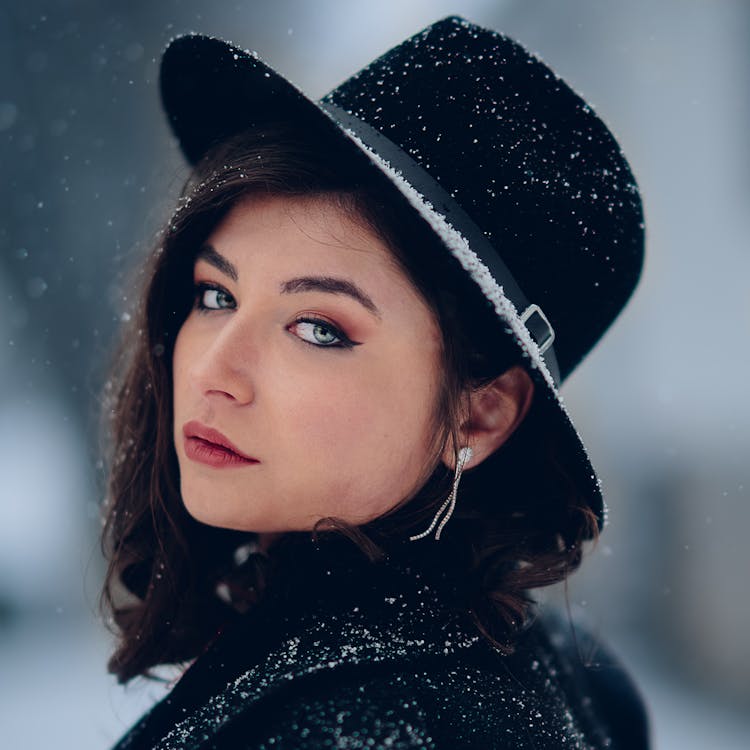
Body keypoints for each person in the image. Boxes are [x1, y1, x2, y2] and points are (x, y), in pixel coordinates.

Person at [101, 16, 649, 749]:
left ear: (479, 416)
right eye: (215, 296)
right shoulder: (549, 665)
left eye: (319, 328)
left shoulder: (344, 725)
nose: (212, 371)